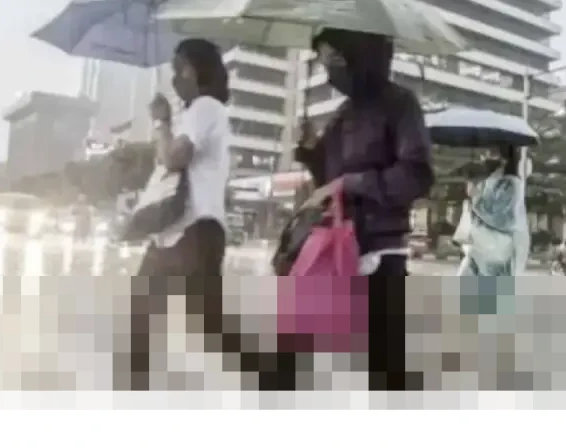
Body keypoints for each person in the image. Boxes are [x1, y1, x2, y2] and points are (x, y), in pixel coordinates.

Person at [287, 27, 434, 392]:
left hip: (380, 252)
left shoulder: (400, 104)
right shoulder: (343, 114)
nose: (328, 71)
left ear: (357, 55)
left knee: (383, 368)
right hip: (339, 250)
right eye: (324, 62)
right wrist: (310, 151)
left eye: (333, 59)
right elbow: (328, 181)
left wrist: (352, 183)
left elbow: (416, 175)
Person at [118, 38, 258, 391]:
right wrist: (165, 125)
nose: (174, 77)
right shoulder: (198, 112)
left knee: (201, 325)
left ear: (196, 70)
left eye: (179, 69)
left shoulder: (206, 108)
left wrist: (161, 121)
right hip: (179, 231)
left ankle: (273, 377)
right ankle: (136, 390)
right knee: (156, 314)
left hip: (193, 230)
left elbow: (174, 158)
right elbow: (169, 160)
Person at [459, 145, 529, 277]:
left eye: (493, 153)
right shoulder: (485, 181)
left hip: (497, 252)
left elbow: (502, 219)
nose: (485, 157)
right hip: (478, 248)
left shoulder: (511, 184)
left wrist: (476, 200)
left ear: (505, 159)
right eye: (486, 153)